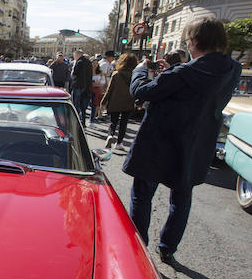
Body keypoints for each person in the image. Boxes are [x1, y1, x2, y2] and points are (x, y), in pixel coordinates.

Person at [123, 17, 240, 264]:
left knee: (142, 195)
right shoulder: (232, 69)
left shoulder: (186, 72)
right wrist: (171, 74)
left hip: (160, 143)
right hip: (196, 144)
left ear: (196, 41)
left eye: (188, 40)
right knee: (182, 197)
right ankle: (167, 247)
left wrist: (141, 71)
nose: (187, 45)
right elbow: (196, 92)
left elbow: (141, 92)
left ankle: (139, 248)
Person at [101, 53, 138, 150]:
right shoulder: (135, 75)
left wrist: (103, 102)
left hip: (115, 101)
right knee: (124, 123)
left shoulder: (116, 74)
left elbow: (109, 90)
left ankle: (110, 135)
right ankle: (119, 143)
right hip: (128, 102)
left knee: (113, 121)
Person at [70, 50, 93, 128]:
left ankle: (75, 121)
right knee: (83, 107)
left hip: (77, 86)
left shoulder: (79, 62)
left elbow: (74, 73)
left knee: (76, 105)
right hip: (86, 87)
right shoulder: (89, 62)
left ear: (77, 55)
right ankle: (82, 121)